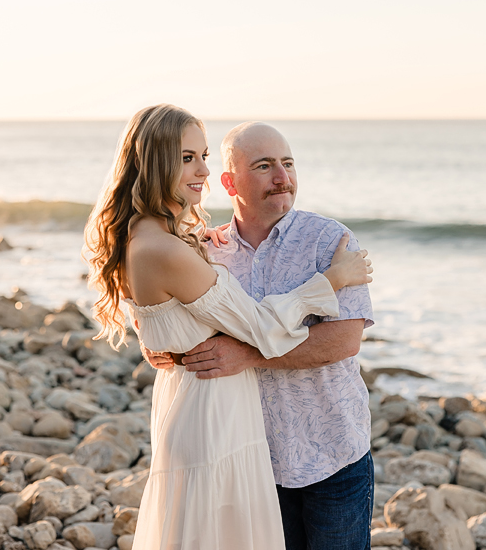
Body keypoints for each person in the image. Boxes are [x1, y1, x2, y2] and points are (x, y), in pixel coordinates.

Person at [82, 105, 373, 550]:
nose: (283, 177)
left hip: (330, 453)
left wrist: (239, 354)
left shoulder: (330, 241)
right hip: (241, 448)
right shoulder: (202, 250)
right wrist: (168, 347)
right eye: (264, 166)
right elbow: (168, 325)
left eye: (288, 163)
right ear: (230, 183)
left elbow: (344, 341)